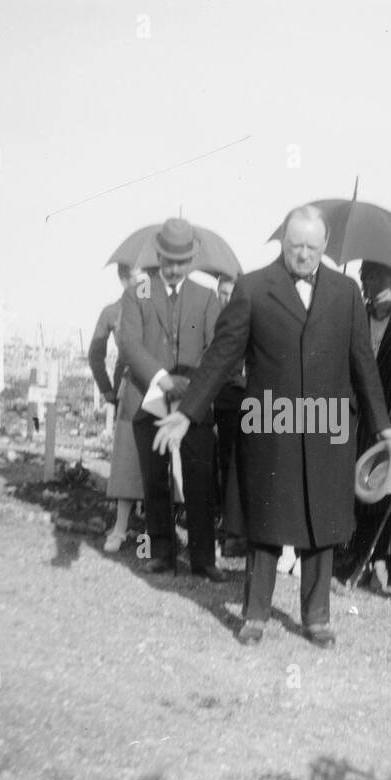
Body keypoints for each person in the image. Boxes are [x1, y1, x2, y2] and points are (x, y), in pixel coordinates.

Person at [153, 204, 391, 647]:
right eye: (294, 245)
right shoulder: (252, 288)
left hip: (328, 427)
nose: (302, 255)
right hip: (269, 425)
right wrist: (187, 412)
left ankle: (317, 616)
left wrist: (382, 426)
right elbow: (221, 356)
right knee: (265, 523)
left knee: (321, 524)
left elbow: (363, 362)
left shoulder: (345, 293)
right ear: (283, 242)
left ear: (325, 246)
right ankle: (255, 615)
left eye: (311, 247)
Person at [116, 218, 223, 580]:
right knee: (155, 479)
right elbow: (128, 343)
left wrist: (190, 389)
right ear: (158, 254)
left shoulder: (207, 297)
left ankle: (203, 559)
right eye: (168, 260)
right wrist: (163, 379)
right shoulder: (139, 292)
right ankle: (161, 552)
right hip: (149, 398)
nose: (174, 268)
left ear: (192, 258)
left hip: (193, 402)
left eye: (182, 261)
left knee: (200, 481)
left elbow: (216, 349)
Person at [340, 260, 391, 591]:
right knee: (358, 481)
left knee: (384, 488)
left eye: (381, 281)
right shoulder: (356, 315)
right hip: (358, 412)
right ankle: (354, 553)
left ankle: (380, 559)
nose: (374, 287)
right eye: (368, 279)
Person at [88, 263, 144, 552]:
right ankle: (121, 527)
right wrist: (107, 389)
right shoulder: (112, 311)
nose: (141, 282)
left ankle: (156, 531)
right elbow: (95, 353)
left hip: (162, 391)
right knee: (127, 459)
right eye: (135, 278)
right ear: (123, 279)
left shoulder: (158, 306)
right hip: (131, 390)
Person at [211, 274, 248, 558]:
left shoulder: (244, 320)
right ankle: (227, 525)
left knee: (240, 467)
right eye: (221, 293)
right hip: (222, 402)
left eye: (228, 292)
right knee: (224, 465)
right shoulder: (213, 322)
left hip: (243, 403)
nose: (224, 298)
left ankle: (237, 531)